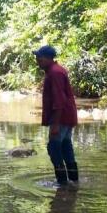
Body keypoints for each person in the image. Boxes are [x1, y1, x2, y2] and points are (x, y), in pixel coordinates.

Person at [33, 45, 78, 186]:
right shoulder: (56, 70)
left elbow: (59, 100)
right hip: (66, 116)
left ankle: (63, 184)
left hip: (61, 118)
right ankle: (74, 182)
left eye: (39, 58)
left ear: (47, 58)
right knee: (65, 147)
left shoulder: (55, 73)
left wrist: (55, 125)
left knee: (55, 150)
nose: (37, 61)